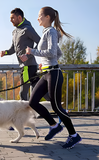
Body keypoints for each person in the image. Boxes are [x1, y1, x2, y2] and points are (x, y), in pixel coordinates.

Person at [23, 6, 82, 149]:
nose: (37, 18)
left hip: (54, 74)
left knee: (56, 107)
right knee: (33, 101)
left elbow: (51, 51)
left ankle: (74, 135)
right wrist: (44, 63)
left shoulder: (51, 31)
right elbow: (58, 53)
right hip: (47, 72)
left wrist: (32, 51)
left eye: (39, 16)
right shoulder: (47, 32)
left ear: (47, 17)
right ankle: (54, 125)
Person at [0, 8, 50, 101]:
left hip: (28, 66)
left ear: (19, 17)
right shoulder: (15, 32)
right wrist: (5, 52)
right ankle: (57, 105)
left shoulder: (27, 29)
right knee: (36, 90)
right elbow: (13, 49)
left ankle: (56, 105)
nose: (10, 20)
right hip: (24, 67)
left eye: (12, 18)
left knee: (23, 93)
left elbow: (40, 42)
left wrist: (28, 55)